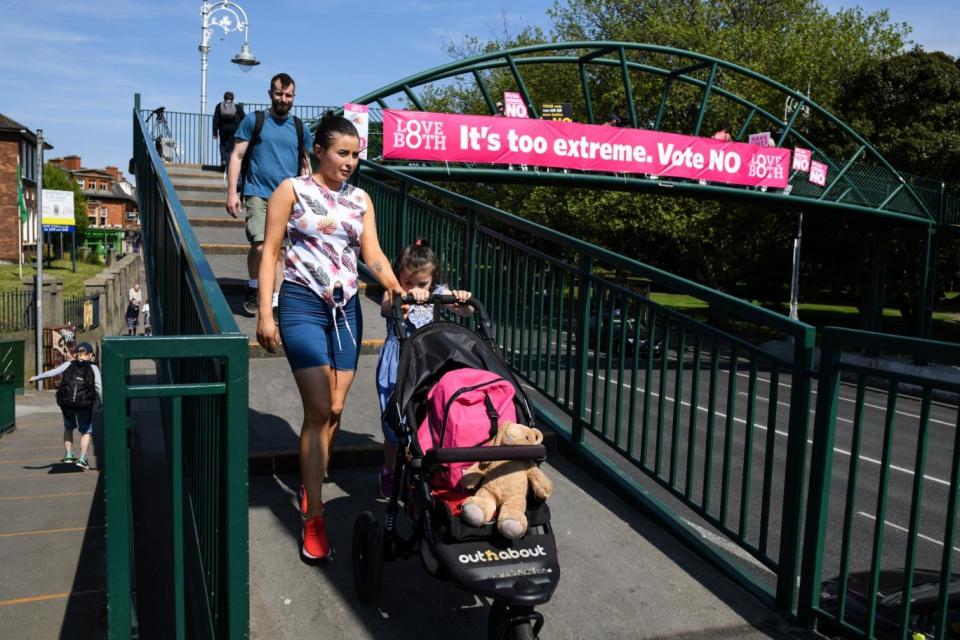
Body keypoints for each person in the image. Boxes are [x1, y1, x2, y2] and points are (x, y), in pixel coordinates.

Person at [255, 111, 405, 562]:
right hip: (302, 303)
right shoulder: (291, 191)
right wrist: (267, 311)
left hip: (346, 311)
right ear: (318, 151)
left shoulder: (361, 199)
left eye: (356, 155)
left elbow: (372, 252)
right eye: (342, 153)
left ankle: (311, 477)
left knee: (336, 408)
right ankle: (314, 514)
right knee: (319, 406)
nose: (350, 162)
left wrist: (396, 286)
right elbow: (271, 252)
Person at [375, 239, 472, 498]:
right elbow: (386, 307)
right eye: (408, 282)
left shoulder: (438, 291)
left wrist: (461, 300)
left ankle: (422, 470)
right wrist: (403, 299)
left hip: (429, 363)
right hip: (399, 361)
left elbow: (464, 311)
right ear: (398, 277)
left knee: (427, 418)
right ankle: (389, 469)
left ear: (433, 280)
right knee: (396, 424)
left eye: (421, 284)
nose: (414, 288)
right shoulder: (394, 291)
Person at [226, 73, 312, 317]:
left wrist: (307, 196)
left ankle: (275, 301)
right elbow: (237, 156)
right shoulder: (255, 120)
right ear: (270, 94)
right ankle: (254, 287)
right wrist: (232, 192)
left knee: (280, 251)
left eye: (288, 95)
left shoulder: (299, 128)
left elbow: (306, 166)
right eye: (279, 94)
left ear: (293, 97)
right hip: (257, 193)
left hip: (287, 198)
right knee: (262, 247)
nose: (283, 99)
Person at [29, 342, 102, 470]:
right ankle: (82, 458)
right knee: (85, 431)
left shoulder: (68, 364)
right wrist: (102, 402)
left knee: (68, 427)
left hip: (67, 403)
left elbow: (53, 372)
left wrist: (36, 378)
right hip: (84, 404)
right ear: (90, 355)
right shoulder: (93, 368)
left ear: (76, 354)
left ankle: (68, 454)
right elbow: (98, 387)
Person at [212, 91, 245, 168]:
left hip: (222, 128)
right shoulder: (237, 107)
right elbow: (244, 118)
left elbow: (215, 119)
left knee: (223, 144)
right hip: (234, 128)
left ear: (224, 98)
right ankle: (229, 162)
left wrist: (214, 131)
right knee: (231, 145)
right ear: (232, 99)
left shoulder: (219, 106)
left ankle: (223, 160)